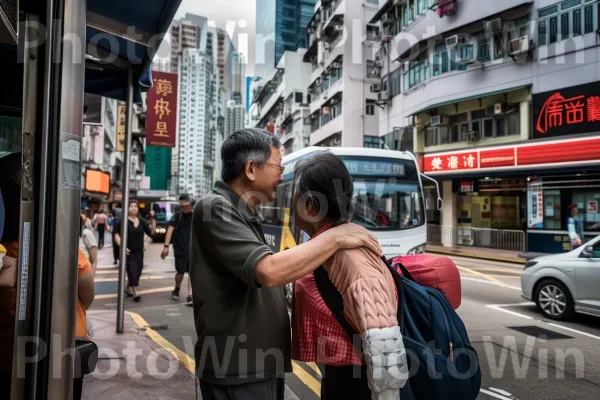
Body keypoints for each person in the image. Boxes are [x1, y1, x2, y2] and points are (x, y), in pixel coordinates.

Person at [189, 128, 382, 400]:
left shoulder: (246, 213)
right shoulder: (214, 208)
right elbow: (268, 271)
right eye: (277, 167)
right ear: (251, 169)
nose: (282, 176)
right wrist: (337, 236)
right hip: (238, 370)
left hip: (258, 367)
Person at [291, 152, 406, 400]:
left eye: (294, 195)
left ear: (309, 205)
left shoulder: (351, 258)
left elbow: (386, 350)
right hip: (339, 378)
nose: (290, 204)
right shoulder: (325, 247)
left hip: (357, 385)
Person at [114, 199, 156, 302]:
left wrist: (153, 218)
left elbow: (152, 232)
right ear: (127, 208)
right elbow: (116, 234)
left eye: (135, 206)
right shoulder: (122, 221)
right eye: (131, 206)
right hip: (127, 251)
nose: (133, 208)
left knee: (137, 271)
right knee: (132, 271)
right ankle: (135, 292)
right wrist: (122, 246)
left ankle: (126, 287)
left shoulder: (142, 221)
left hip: (139, 251)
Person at [161, 194, 194, 306]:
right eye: (181, 206)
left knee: (192, 273)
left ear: (190, 205)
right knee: (180, 273)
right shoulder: (177, 216)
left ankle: (190, 296)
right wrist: (166, 247)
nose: (182, 208)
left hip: (194, 250)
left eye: (185, 206)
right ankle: (177, 288)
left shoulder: (196, 216)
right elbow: (170, 230)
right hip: (180, 250)